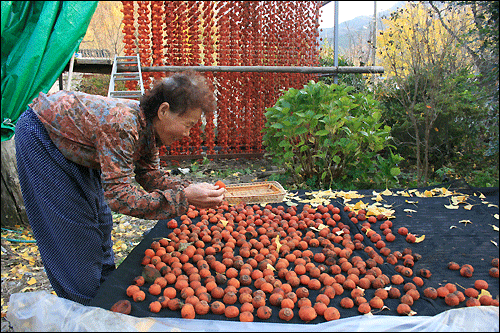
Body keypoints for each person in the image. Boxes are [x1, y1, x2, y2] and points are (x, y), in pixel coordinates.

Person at [14, 70, 225, 305]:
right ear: (164, 110)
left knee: (101, 219)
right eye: (188, 125)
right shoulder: (123, 124)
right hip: (43, 134)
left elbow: (150, 174)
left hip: (78, 146)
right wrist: (183, 198)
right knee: (73, 230)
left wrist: (191, 188)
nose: (187, 134)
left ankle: (104, 288)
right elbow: (120, 196)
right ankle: (86, 306)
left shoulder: (147, 128)